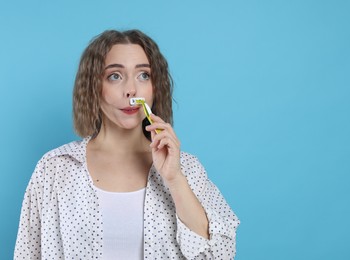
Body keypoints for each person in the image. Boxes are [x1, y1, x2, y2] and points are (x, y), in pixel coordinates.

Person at [14, 29, 239, 259]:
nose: (131, 90)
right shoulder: (54, 169)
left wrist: (175, 179)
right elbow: (27, 253)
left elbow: (220, 255)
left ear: (155, 87)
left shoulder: (187, 170)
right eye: (115, 76)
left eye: (144, 75)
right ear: (93, 86)